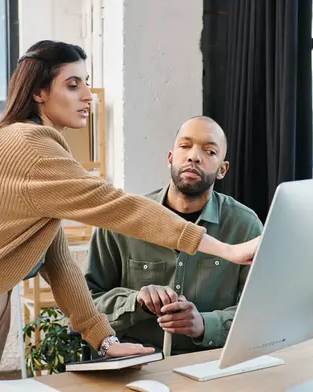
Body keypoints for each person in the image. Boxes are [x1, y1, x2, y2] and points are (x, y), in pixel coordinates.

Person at [0, 40, 260, 392]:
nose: (88, 96)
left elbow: (59, 264)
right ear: (40, 91)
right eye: (73, 85)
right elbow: (117, 205)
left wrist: (105, 342)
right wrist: (227, 250)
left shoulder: (38, 150)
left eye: (86, 83)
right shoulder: (28, 145)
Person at [83, 116, 262, 354]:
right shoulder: (122, 221)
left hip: (210, 367)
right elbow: (85, 304)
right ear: (170, 158)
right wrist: (135, 302)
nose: (194, 157)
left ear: (222, 169)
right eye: (185, 146)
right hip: (136, 365)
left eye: (209, 151)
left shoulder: (245, 226)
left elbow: (259, 312)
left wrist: (204, 325)